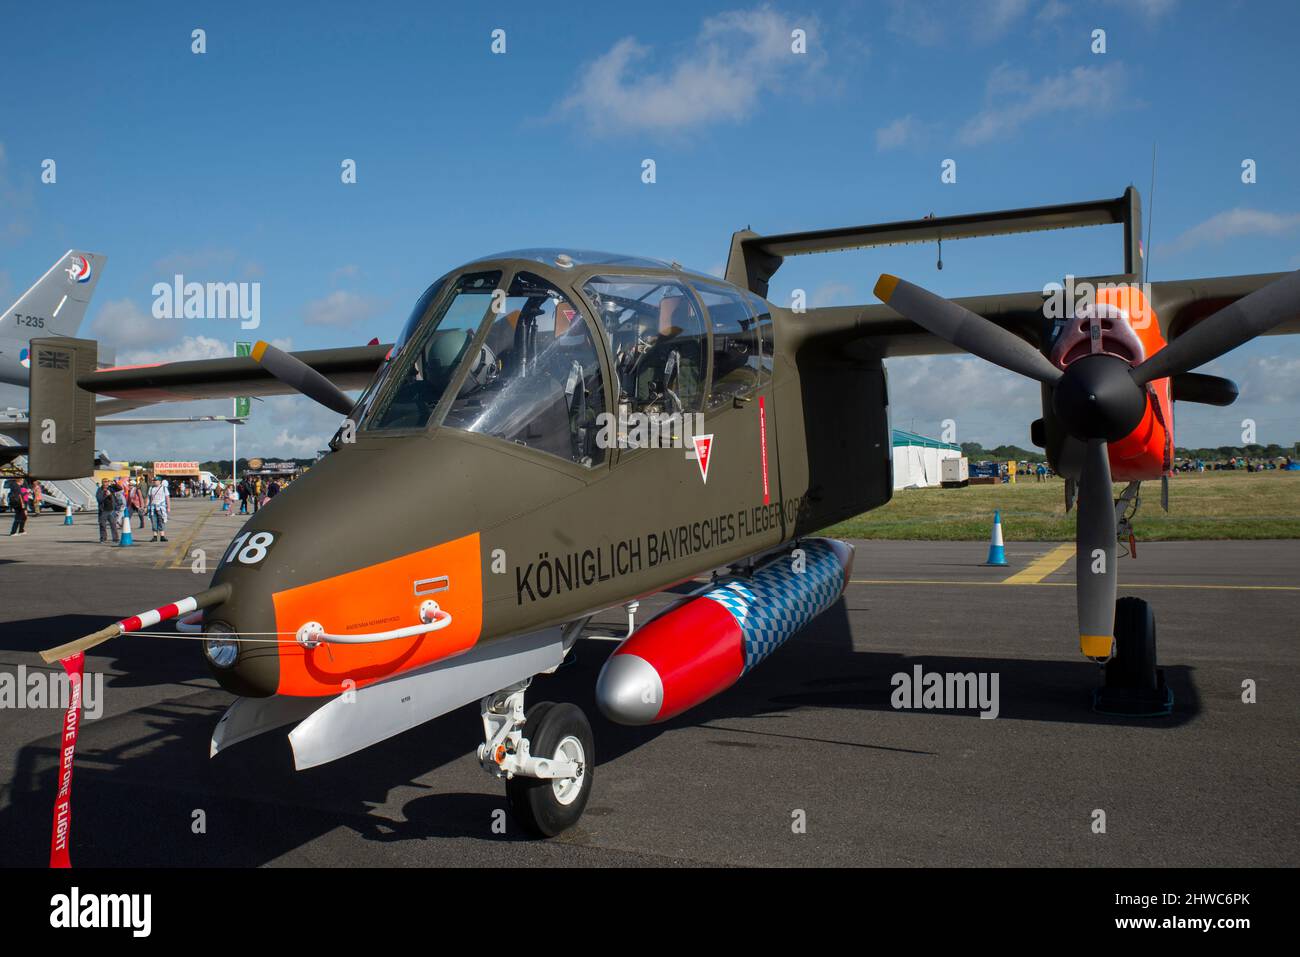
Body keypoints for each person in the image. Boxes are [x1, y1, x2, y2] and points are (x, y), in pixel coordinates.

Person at [147, 475, 170, 542]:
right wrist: (146, 506)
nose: (154, 482)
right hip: (153, 508)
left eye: (156, 480)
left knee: (161, 521)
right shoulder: (151, 488)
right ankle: (155, 536)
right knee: (153, 521)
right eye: (154, 480)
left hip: (161, 508)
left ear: (160, 481)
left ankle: (162, 536)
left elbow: (167, 498)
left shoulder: (164, 488)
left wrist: (168, 507)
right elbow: (149, 498)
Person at [96, 478, 119, 543]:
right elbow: (99, 499)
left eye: (107, 482)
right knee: (102, 525)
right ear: (102, 483)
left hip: (111, 510)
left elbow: (119, 488)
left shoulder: (111, 488)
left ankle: (115, 539)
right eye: (104, 482)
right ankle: (103, 538)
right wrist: (106, 495)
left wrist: (115, 484)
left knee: (113, 525)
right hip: (103, 511)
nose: (106, 483)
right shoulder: (99, 490)